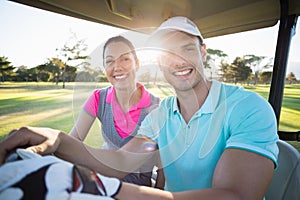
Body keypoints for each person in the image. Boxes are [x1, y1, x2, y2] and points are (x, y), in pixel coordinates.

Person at [0, 16, 279, 199]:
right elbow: (120, 162)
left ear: (203, 51)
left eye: (186, 49)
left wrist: (115, 190)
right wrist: (58, 139)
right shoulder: (160, 116)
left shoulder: (249, 108)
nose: (178, 62)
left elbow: (235, 195)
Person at [68, 35, 161, 187]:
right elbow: (73, 141)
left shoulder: (156, 107)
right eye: (110, 61)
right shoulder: (98, 98)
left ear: (137, 64)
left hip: (138, 191)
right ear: (105, 68)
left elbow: (162, 166)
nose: (117, 67)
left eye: (125, 59)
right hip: (103, 183)